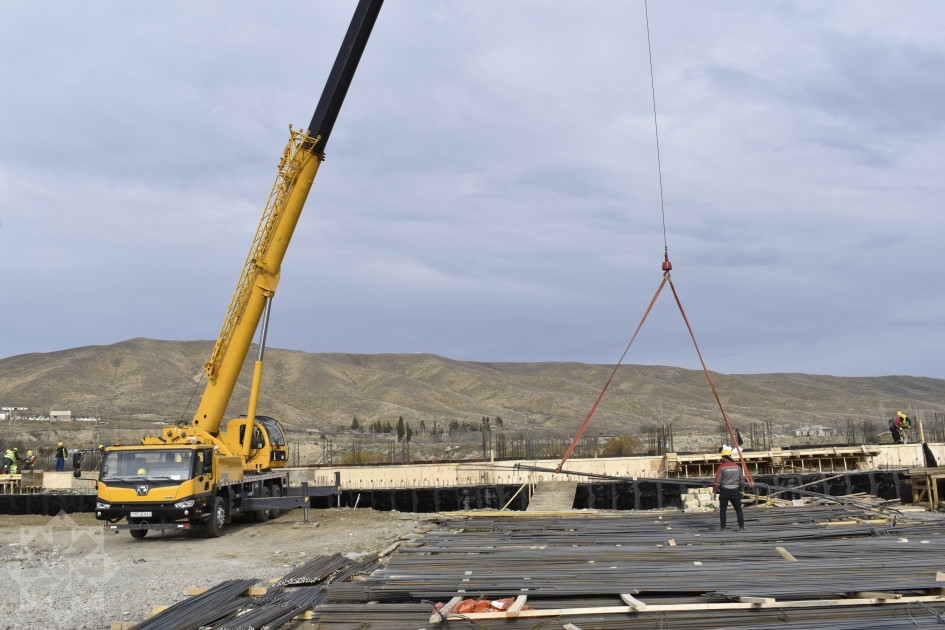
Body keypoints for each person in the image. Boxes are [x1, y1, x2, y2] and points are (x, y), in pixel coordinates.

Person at [712, 448, 746, 531]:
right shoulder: (737, 467)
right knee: (739, 510)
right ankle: (741, 527)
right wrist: (742, 490)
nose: (721, 459)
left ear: (724, 457)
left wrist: (714, 492)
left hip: (724, 491)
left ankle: (723, 528)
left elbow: (717, 481)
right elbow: (742, 481)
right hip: (735, 491)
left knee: (723, 510)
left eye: (722, 457)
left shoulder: (721, 467)